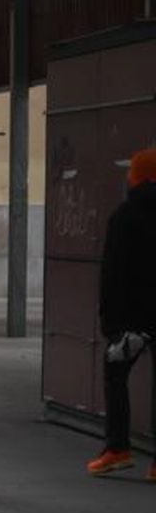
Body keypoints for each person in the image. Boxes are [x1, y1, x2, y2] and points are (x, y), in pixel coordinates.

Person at [87, 147, 156, 478]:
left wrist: (111, 324)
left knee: (116, 377)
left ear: (139, 177)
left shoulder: (125, 217)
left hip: (131, 319)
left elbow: (113, 274)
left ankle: (118, 449)